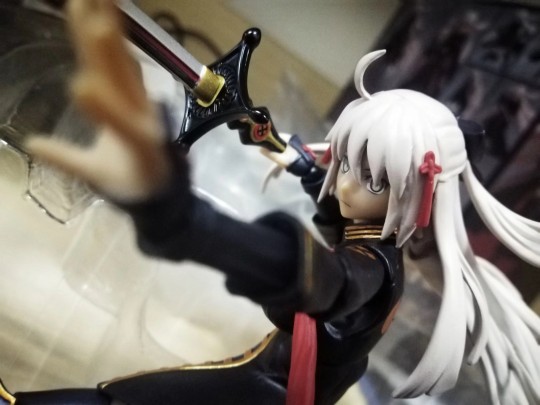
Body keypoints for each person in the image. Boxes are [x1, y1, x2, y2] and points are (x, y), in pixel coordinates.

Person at [1, 0, 538, 404]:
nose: (346, 184)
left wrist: (178, 214)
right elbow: (333, 205)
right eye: (348, 162)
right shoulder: (375, 237)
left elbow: (315, 277)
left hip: (275, 389)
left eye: (372, 178)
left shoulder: (371, 270)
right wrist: (291, 154)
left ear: (418, 197)